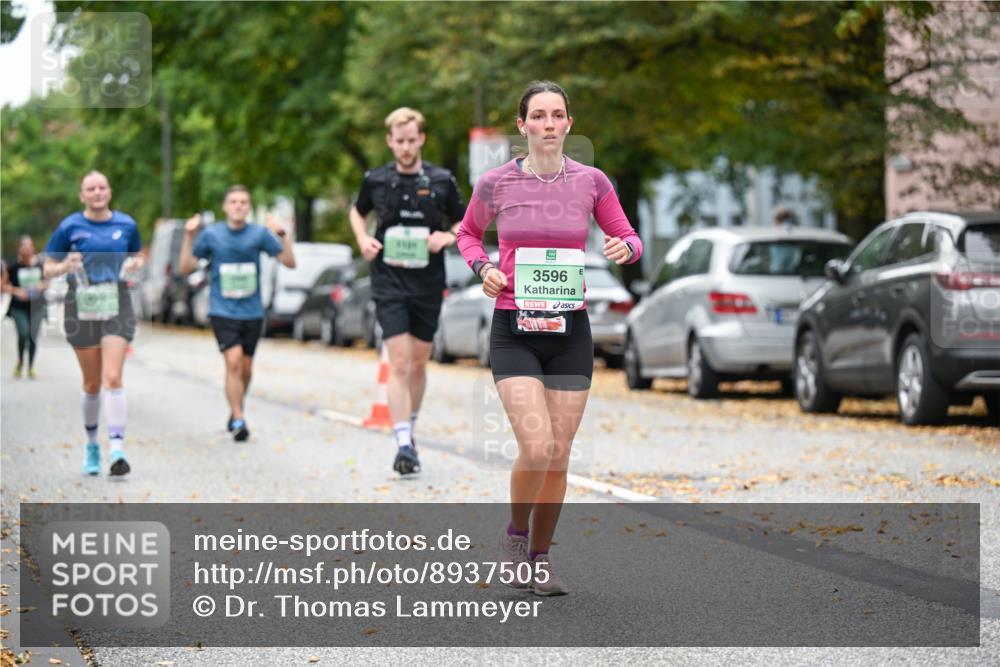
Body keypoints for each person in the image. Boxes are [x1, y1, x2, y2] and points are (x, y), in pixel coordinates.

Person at [456, 81, 642, 596]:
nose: (548, 124)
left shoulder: (591, 181)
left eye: (557, 115)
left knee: (559, 455)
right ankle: (515, 537)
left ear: (568, 123)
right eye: (538, 116)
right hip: (515, 328)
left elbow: (629, 236)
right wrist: (484, 268)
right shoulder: (496, 183)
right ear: (523, 126)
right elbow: (467, 234)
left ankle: (540, 558)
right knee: (536, 447)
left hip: (569, 330)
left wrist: (625, 249)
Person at [349, 107, 466, 475]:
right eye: (399, 141)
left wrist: (446, 237)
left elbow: (464, 222)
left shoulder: (442, 180)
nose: (405, 147)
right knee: (399, 362)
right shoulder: (376, 179)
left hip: (428, 282)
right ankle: (402, 443)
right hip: (389, 280)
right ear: (390, 141)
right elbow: (357, 212)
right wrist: (362, 239)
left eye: (411, 140)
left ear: (421, 140)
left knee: (418, 362)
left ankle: (409, 428)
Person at [43, 171, 144, 476]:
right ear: (82, 195)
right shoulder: (70, 227)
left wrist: (136, 263)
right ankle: (91, 445)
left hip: (116, 303)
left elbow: (138, 255)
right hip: (81, 304)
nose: (97, 192)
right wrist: (65, 265)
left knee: (112, 377)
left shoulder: (126, 224)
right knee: (91, 384)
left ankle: (117, 450)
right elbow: (48, 268)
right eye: (91, 188)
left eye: (102, 187)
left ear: (109, 192)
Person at [179, 185, 295, 442]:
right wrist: (189, 236)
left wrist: (282, 235)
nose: (238, 206)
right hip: (222, 309)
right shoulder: (212, 235)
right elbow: (185, 267)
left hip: (252, 311)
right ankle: (240, 419)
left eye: (243, 202)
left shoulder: (258, 234)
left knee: (245, 368)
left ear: (248, 207)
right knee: (233, 362)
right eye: (233, 201)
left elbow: (289, 262)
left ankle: (235, 410)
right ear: (225, 206)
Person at [2, 236, 47, 378]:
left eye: (29, 246)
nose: (26, 249)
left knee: (33, 336)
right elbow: (3, 285)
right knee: (23, 334)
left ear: (33, 248)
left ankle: (31, 367)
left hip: (37, 306)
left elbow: (47, 282)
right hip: (18, 307)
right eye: (23, 246)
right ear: (19, 249)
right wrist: (16, 291)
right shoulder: (13, 267)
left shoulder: (40, 266)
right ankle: (20, 362)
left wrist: (41, 286)